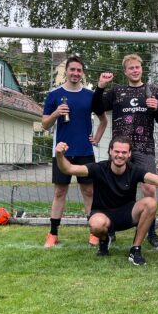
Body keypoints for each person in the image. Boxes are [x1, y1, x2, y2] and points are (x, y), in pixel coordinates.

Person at [55, 136, 158, 265]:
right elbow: (68, 169)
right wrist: (59, 154)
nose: (120, 155)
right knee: (96, 225)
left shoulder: (135, 170)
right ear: (110, 151)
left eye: (124, 152)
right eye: (117, 151)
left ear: (129, 154)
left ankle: (135, 249)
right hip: (103, 214)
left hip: (128, 215)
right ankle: (104, 240)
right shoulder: (99, 168)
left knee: (151, 202)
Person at [92, 53, 158, 250]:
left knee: (149, 189)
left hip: (143, 148)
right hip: (120, 149)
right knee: (112, 185)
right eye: (131, 68)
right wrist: (100, 87)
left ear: (142, 69)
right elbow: (96, 106)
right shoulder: (117, 91)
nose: (135, 70)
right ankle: (111, 228)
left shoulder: (153, 91)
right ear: (125, 71)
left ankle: (151, 232)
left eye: (137, 67)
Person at [42, 56, 107, 248]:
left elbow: (103, 120)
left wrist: (96, 139)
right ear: (67, 71)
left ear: (83, 73)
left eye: (79, 70)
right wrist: (55, 113)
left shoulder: (89, 95)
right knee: (60, 192)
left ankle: (94, 232)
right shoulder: (54, 95)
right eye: (72, 70)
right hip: (62, 152)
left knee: (89, 191)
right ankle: (53, 233)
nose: (76, 73)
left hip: (85, 151)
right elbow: (45, 125)